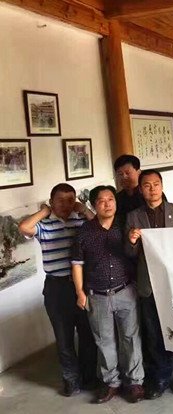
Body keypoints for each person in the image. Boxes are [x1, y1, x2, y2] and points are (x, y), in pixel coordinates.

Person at [18, 183, 97, 397]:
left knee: (87, 335)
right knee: (64, 339)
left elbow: (100, 226)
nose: (65, 204)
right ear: (52, 201)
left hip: (81, 285)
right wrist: (44, 212)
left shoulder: (80, 221)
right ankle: (71, 380)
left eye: (70, 200)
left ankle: (89, 378)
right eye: (60, 200)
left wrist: (84, 209)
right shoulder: (44, 225)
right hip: (56, 288)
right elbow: (24, 227)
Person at [125, 170, 173, 399]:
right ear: (141, 189)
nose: (152, 189)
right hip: (149, 283)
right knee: (155, 333)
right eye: (147, 185)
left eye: (156, 184)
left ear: (162, 186)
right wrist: (132, 241)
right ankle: (161, 377)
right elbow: (130, 253)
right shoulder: (133, 216)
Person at [71, 185, 145, 404]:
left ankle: (135, 382)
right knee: (104, 341)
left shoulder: (125, 225)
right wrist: (80, 292)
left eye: (110, 199)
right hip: (97, 295)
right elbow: (77, 264)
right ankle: (111, 382)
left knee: (131, 338)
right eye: (101, 201)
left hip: (125, 290)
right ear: (94, 205)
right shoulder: (84, 231)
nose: (107, 204)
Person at [113, 155, 144, 226]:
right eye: (120, 174)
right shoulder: (117, 198)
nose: (124, 177)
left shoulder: (150, 193)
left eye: (128, 173)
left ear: (139, 172)